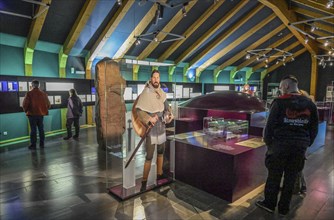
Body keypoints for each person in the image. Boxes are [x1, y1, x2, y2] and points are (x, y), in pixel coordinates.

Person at [256, 75, 319, 216]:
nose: (280, 90)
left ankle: (269, 204)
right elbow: (314, 127)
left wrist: (269, 144)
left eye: (280, 87)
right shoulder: (310, 104)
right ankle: (284, 208)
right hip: (299, 147)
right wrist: (307, 143)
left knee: (274, 176)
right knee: (291, 177)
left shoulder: (279, 103)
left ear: (286, 86)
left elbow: (269, 126)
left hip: (279, 146)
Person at [135, 70, 173, 191]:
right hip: (151, 128)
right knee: (149, 156)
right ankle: (144, 181)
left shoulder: (161, 93)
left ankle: (159, 174)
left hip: (161, 126)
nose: (156, 80)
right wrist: (149, 118)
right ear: (151, 79)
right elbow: (139, 111)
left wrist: (169, 114)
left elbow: (167, 108)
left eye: (158, 77)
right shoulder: (146, 92)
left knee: (161, 151)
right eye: (154, 77)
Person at [23, 80, 51, 150]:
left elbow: (25, 104)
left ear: (32, 85)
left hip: (32, 115)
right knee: (41, 129)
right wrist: (43, 110)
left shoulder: (29, 93)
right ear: (38, 85)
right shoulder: (43, 94)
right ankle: (42, 144)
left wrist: (26, 111)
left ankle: (33, 145)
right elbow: (48, 105)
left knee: (33, 130)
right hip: (41, 115)